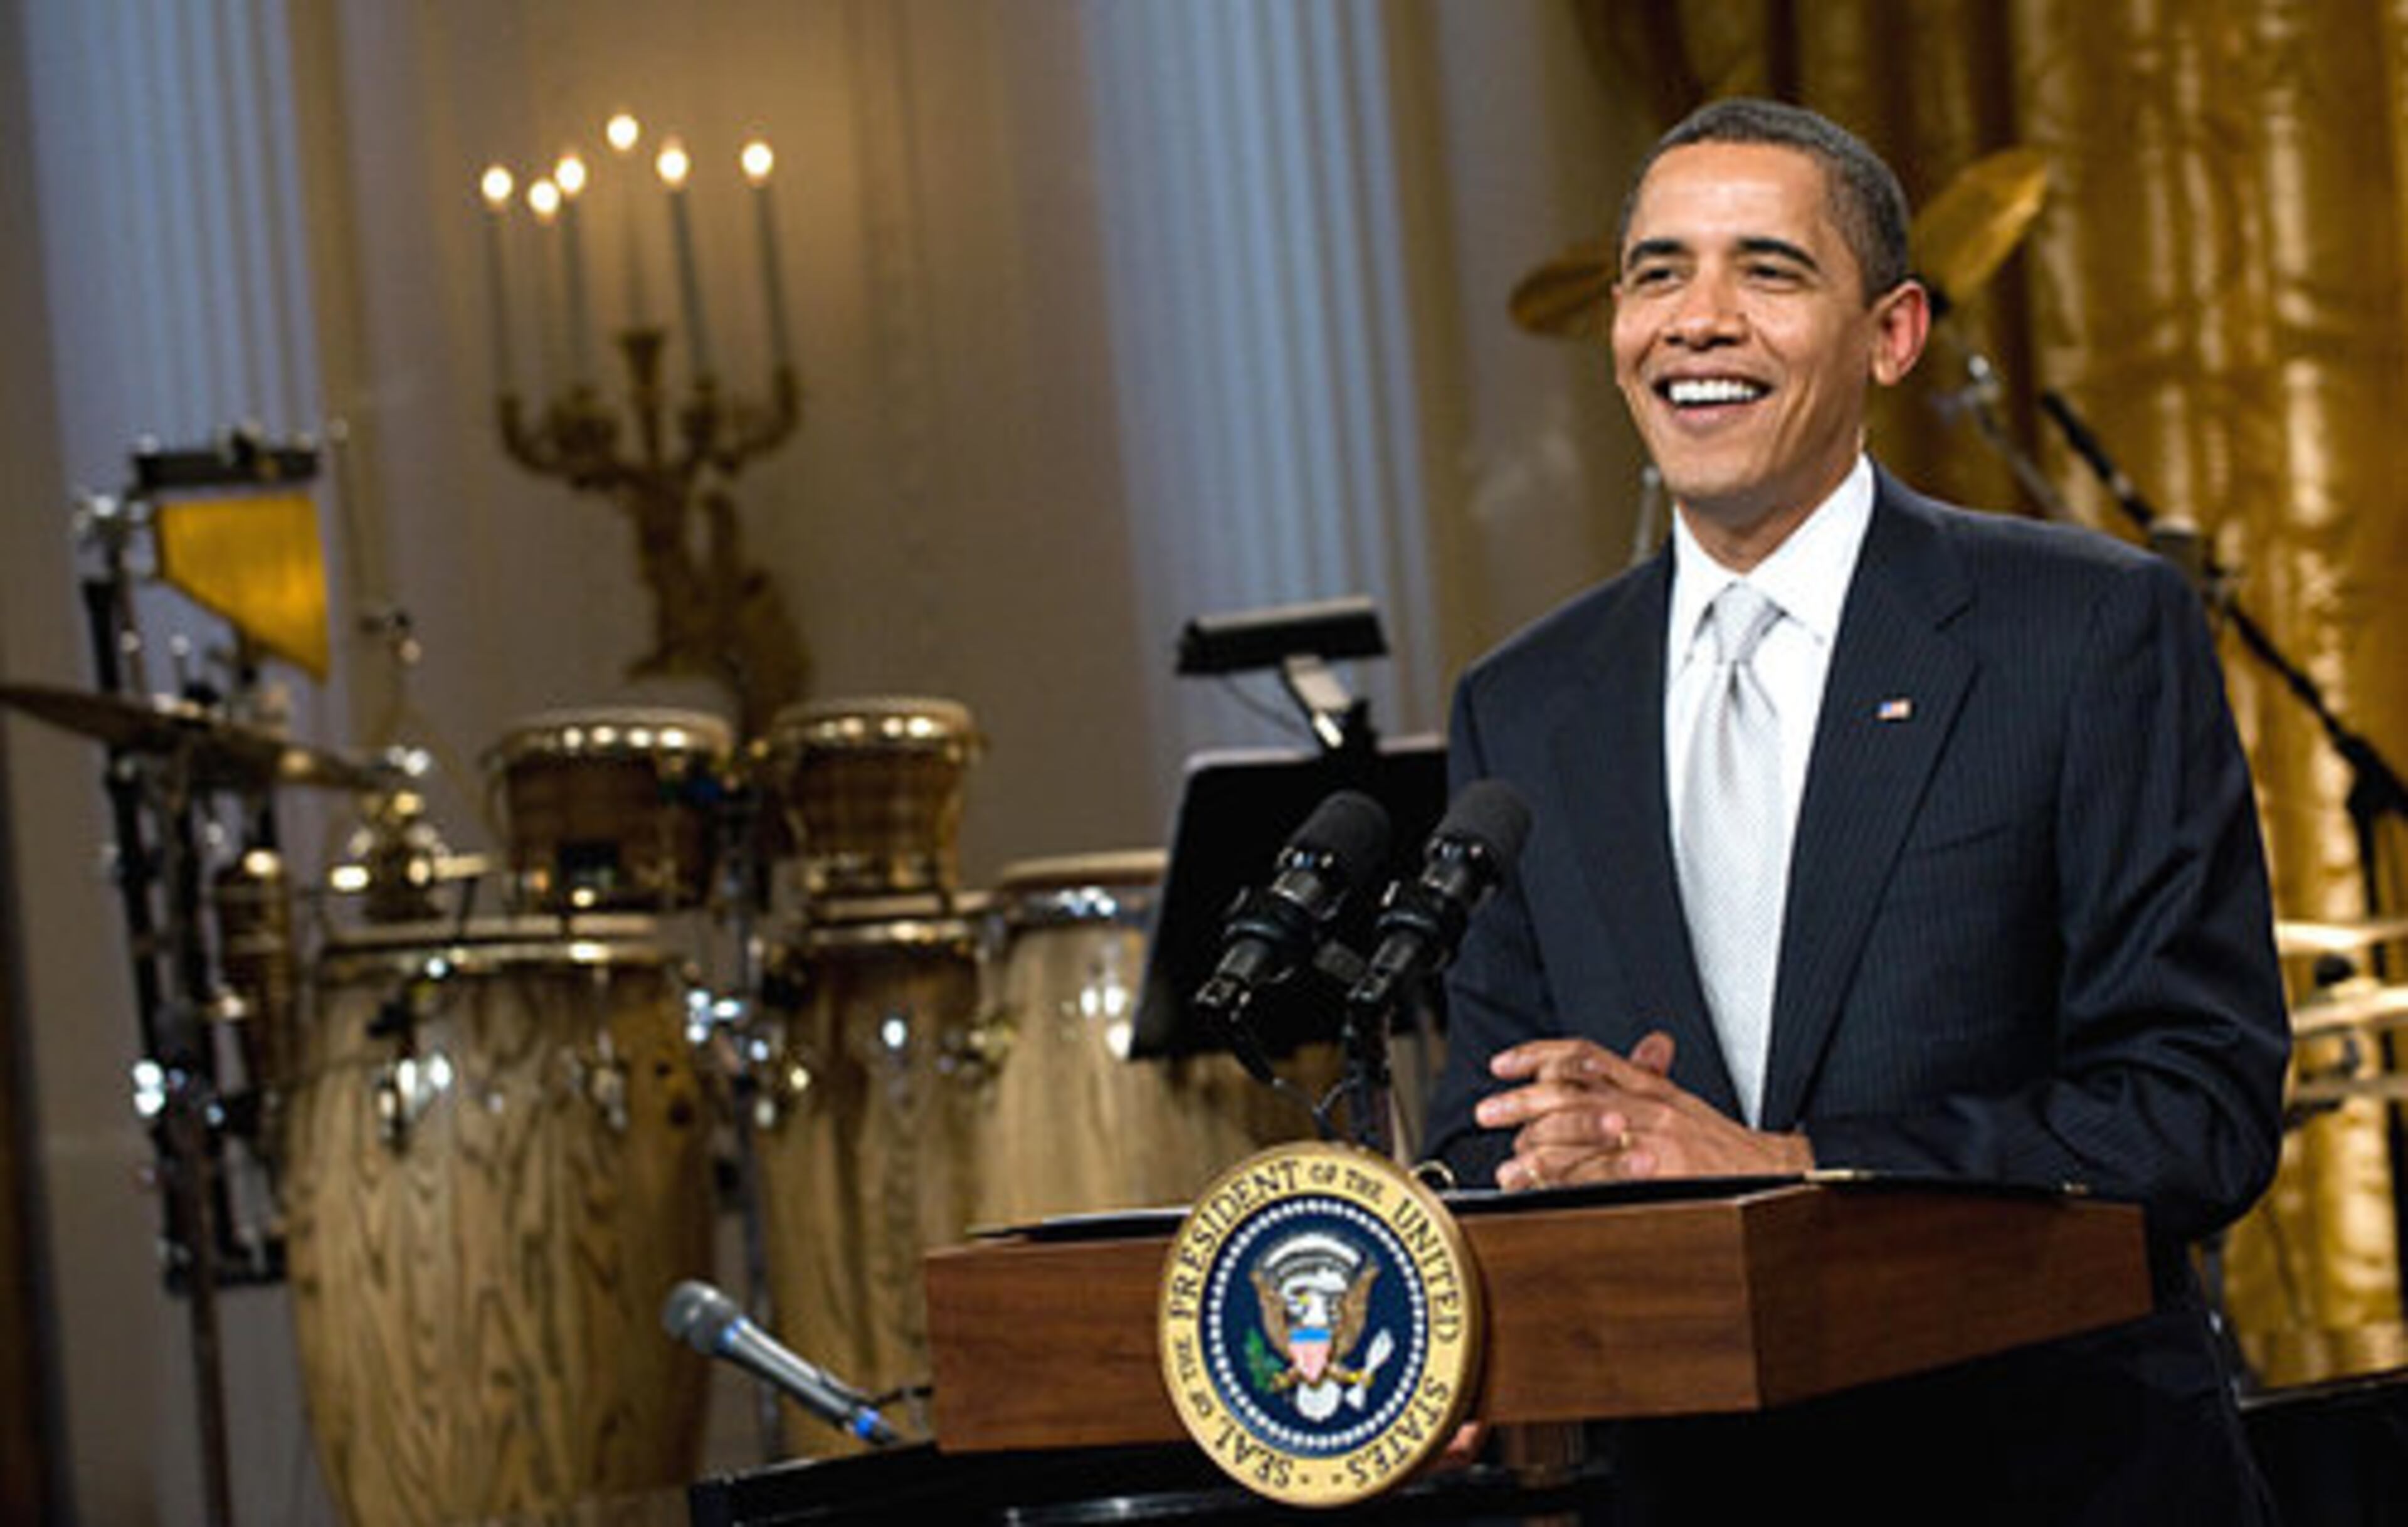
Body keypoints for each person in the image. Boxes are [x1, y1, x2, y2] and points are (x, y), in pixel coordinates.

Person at [1423, 98, 2289, 1523]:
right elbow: (1485, 1126)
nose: (1696, 319)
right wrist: (1521, 1202)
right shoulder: (1525, 703)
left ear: (1891, 334)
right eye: (1656, 273)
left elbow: (2193, 1111)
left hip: (2051, 1480)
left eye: (1766, 270)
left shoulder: (2082, 631)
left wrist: (1792, 1168)